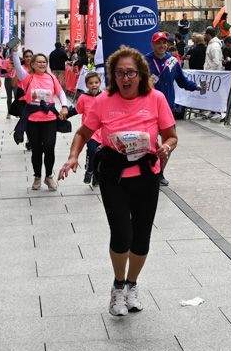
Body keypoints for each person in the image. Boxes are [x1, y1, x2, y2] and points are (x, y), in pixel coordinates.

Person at [58, 46, 179, 315]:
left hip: (146, 175)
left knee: (142, 237)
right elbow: (83, 132)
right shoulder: (103, 100)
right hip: (114, 174)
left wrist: (166, 148)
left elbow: (171, 135)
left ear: (140, 74)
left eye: (131, 73)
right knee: (122, 233)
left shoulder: (156, 99)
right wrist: (73, 156)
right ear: (113, 75)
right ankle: (117, 285)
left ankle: (132, 285)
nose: (126, 78)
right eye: (120, 73)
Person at [21, 53, 69, 192]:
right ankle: (37, 176)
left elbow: (60, 93)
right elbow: (18, 68)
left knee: (49, 147)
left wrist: (64, 106)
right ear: (33, 64)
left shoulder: (51, 77)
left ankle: (48, 176)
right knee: (36, 150)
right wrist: (13, 52)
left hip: (49, 119)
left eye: (44, 62)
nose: (42, 64)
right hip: (32, 119)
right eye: (39, 62)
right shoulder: (27, 78)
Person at [75, 70, 105, 187]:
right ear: (86, 85)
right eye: (91, 83)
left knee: (100, 154)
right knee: (92, 150)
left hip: (103, 132)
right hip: (90, 131)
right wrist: (65, 114)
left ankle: (97, 175)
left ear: (100, 83)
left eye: (96, 82)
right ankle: (89, 170)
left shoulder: (104, 96)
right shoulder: (83, 97)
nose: (94, 85)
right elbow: (78, 110)